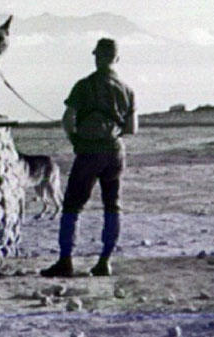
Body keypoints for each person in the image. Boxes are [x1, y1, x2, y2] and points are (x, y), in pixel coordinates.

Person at [41, 38, 137, 277]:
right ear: (116, 58)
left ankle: (66, 261)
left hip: (88, 152)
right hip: (115, 152)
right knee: (112, 205)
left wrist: (76, 140)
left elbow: (67, 119)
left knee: (72, 206)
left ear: (97, 57)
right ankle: (105, 261)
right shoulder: (127, 90)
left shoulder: (83, 86)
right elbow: (132, 128)